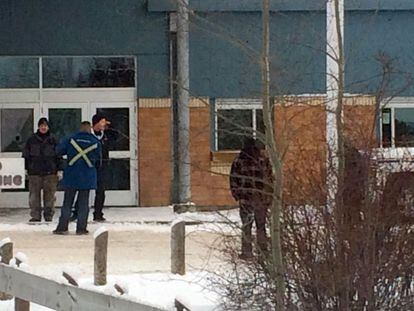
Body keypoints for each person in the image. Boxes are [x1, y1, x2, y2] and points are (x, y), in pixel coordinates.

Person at [53, 121, 101, 235]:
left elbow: (58, 151)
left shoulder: (71, 139)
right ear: (90, 129)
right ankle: (81, 228)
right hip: (87, 176)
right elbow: (99, 160)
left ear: (80, 128)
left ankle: (62, 227)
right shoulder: (95, 141)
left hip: (72, 175)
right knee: (84, 203)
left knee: (67, 202)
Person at [230, 137, 273, 260]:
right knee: (261, 226)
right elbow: (269, 179)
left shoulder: (239, 161)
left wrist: (237, 195)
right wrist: (269, 196)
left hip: (246, 199)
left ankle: (247, 252)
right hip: (261, 199)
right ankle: (263, 251)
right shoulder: (263, 160)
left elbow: (233, 180)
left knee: (246, 225)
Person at [22, 117, 61, 222]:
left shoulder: (53, 140)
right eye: (41, 125)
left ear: (48, 127)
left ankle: (48, 216)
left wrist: (59, 169)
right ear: (38, 127)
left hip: (50, 173)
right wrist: (26, 168)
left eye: (45, 126)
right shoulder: (31, 140)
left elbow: (59, 156)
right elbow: (26, 155)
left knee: (50, 197)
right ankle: (35, 216)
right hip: (34, 172)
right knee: (34, 196)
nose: (43, 127)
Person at [90, 114, 114, 222]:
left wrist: (111, 126)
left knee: (101, 191)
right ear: (96, 123)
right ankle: (77, 212)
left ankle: (98, 213)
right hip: (90, 166)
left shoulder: (105, 135)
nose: (104, 124)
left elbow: (117, 135)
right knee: (83, 190)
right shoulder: (89, 135)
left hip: (102, 167)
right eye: (102, 121)